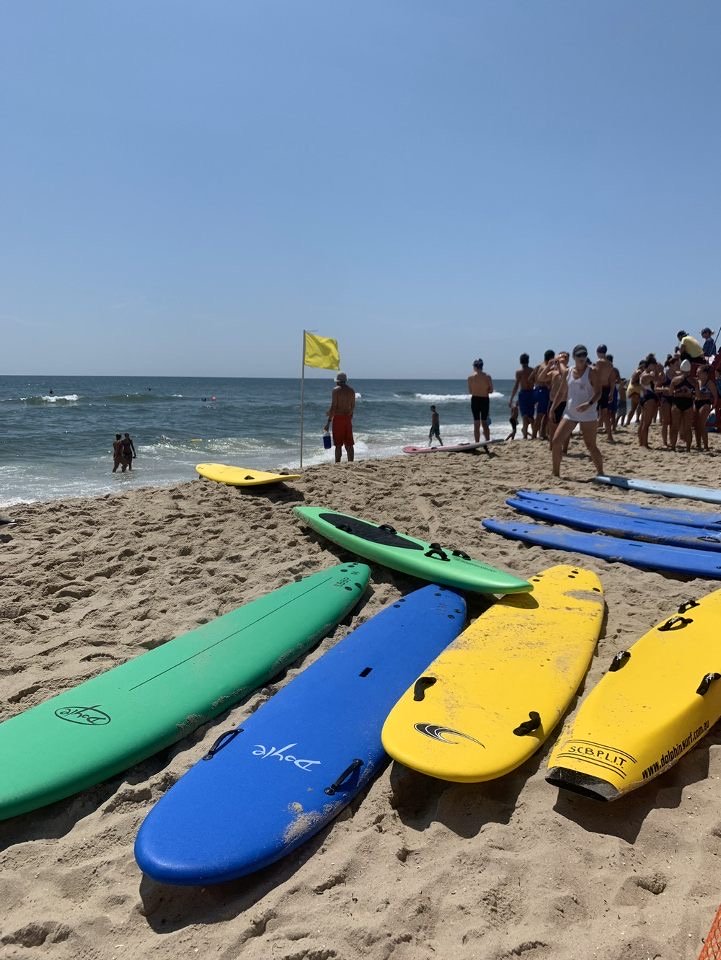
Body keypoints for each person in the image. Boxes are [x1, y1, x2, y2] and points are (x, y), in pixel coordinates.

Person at [551, 345, 603, 478]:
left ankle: (601, 473)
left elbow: (599, 393)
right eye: (579, 355)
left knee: (591, 445)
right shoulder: (568, 372)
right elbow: (562, 392)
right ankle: (556, 474)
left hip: (588, 413)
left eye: (584, 355)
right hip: (570, 413)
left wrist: (589, 403)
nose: (582, 358)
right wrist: (553, 408)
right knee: (556, 442)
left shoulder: (592, 372)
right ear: (574, 357)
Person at [324, 372, 356, 463]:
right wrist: (349, 418)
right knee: (349, 444)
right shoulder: (351, 391)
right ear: (345, 380)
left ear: (338, 381)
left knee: (338, 445)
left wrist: (328, 422)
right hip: (347, 418)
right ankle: (351, 463)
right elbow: (353, 406)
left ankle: (337, 463)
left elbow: (334, 406)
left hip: (338, 419)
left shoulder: (336, 390)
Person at [669, 359, 695, 452]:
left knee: (674, 427)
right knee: (688, 428)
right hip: (688, 404)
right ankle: (688, 448)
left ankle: (673, 447)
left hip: (677, 403)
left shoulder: (675, 380)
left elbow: (670, 393)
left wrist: (678, 393)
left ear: (681, 369)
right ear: (690, 370)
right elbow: (697, 395)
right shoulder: (693, 381)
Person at [594, 344, 618, 443]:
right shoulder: (610, 364)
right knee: (605, 414)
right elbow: (612, 380)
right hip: (607, 389)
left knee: (593, 413)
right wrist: (612, 392)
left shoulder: (598, 362)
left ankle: (591, 434)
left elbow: (595, 377)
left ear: (598, 352)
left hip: (598, 389)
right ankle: (609, 436)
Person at [508, 353, 535, 439]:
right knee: (531, 415)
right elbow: (536, 383)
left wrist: (511, 398)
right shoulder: (532, 370)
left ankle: (525, 436)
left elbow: (516, 386)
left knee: (524, 415)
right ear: (528, 361)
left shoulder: (519, 372)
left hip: (523, 394)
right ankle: (534, 435)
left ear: (520, 361)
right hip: (531, 393)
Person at [467, 358, 493, 442]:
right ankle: (487, 440)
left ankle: (477, 442)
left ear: (475, 367)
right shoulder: (487, 376)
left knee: (476, 422)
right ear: (482, 366)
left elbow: (470, 391)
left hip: (475, 399)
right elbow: (491, 390)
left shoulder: (470, 377)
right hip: (484, 399)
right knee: (484, 422)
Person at [532, 349, 556, 440]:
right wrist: (548, 384)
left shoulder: (542, 365)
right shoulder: (544, 366)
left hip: (542, 390)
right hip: (542, 391)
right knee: (540, 414)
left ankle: (542, 434)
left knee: (545, 414)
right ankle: (534, 435)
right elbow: (540, 379)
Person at [694, 365, 718, 451]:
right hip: (696, 402)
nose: (697, 373)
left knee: (701, 425)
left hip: (705, 403)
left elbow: (715, 396)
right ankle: (698, 444)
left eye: (698, 372)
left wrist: (713, 407)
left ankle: (706, 446)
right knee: (696, 425)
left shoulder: (709, 383)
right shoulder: (697, 382)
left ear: (705, 373)